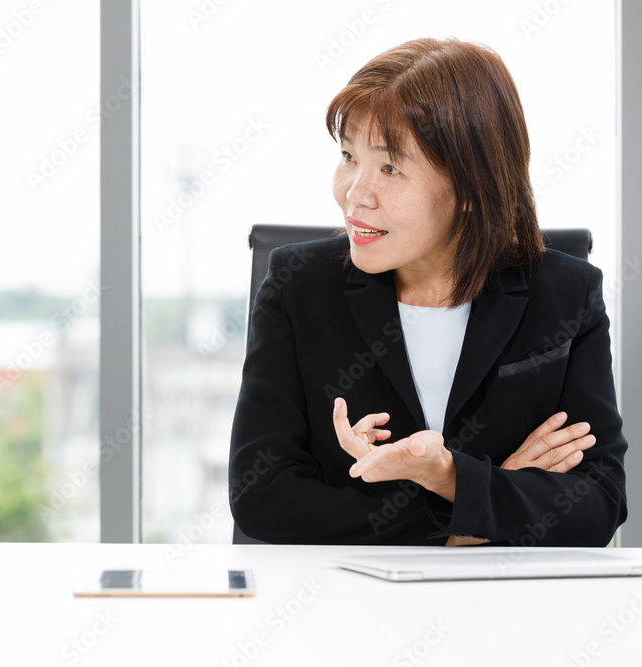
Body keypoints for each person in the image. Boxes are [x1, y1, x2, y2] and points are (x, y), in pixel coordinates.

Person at [229, 38, 627, 547]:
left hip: (513, 608)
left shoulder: (566, 294)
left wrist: (449, 478)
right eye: (349, 155)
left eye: (390, 168)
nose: (354, 193)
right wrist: (465, 511)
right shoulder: (297, 287)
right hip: (341, 605)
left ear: (471, 188)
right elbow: (262, 497)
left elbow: (598, 502)